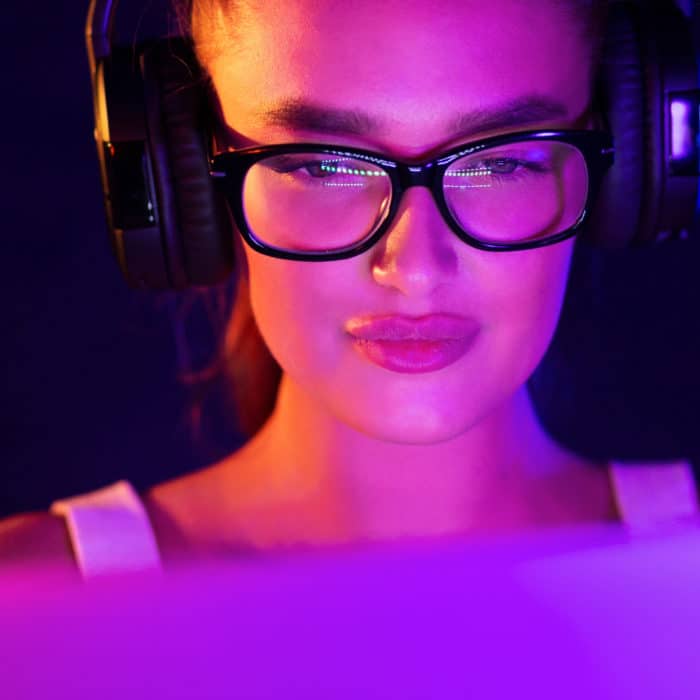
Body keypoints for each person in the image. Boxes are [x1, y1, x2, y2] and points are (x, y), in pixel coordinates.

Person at [1, 0, 698, 579]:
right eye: (324, 167)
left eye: (501, 162)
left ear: (636, 166)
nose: (415, 268)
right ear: (180, 178)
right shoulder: (23, 613)